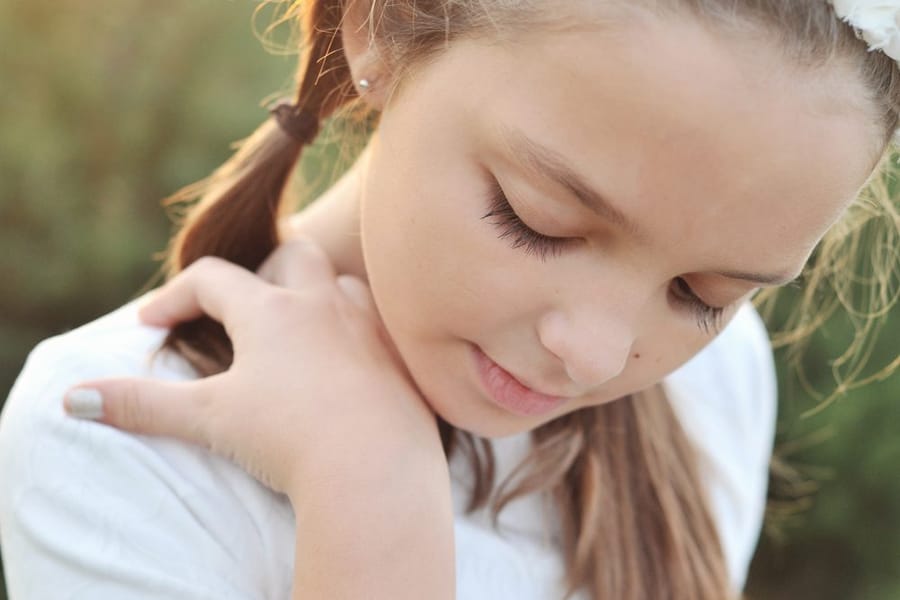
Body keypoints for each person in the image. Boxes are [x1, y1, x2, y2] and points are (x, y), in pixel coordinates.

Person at [0, 0, 897, 598]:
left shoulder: (712, 388)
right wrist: (369, 493)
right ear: (379, 30)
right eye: (536, 220)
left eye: (703, 295)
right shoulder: (127, 442)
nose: (591, 354)